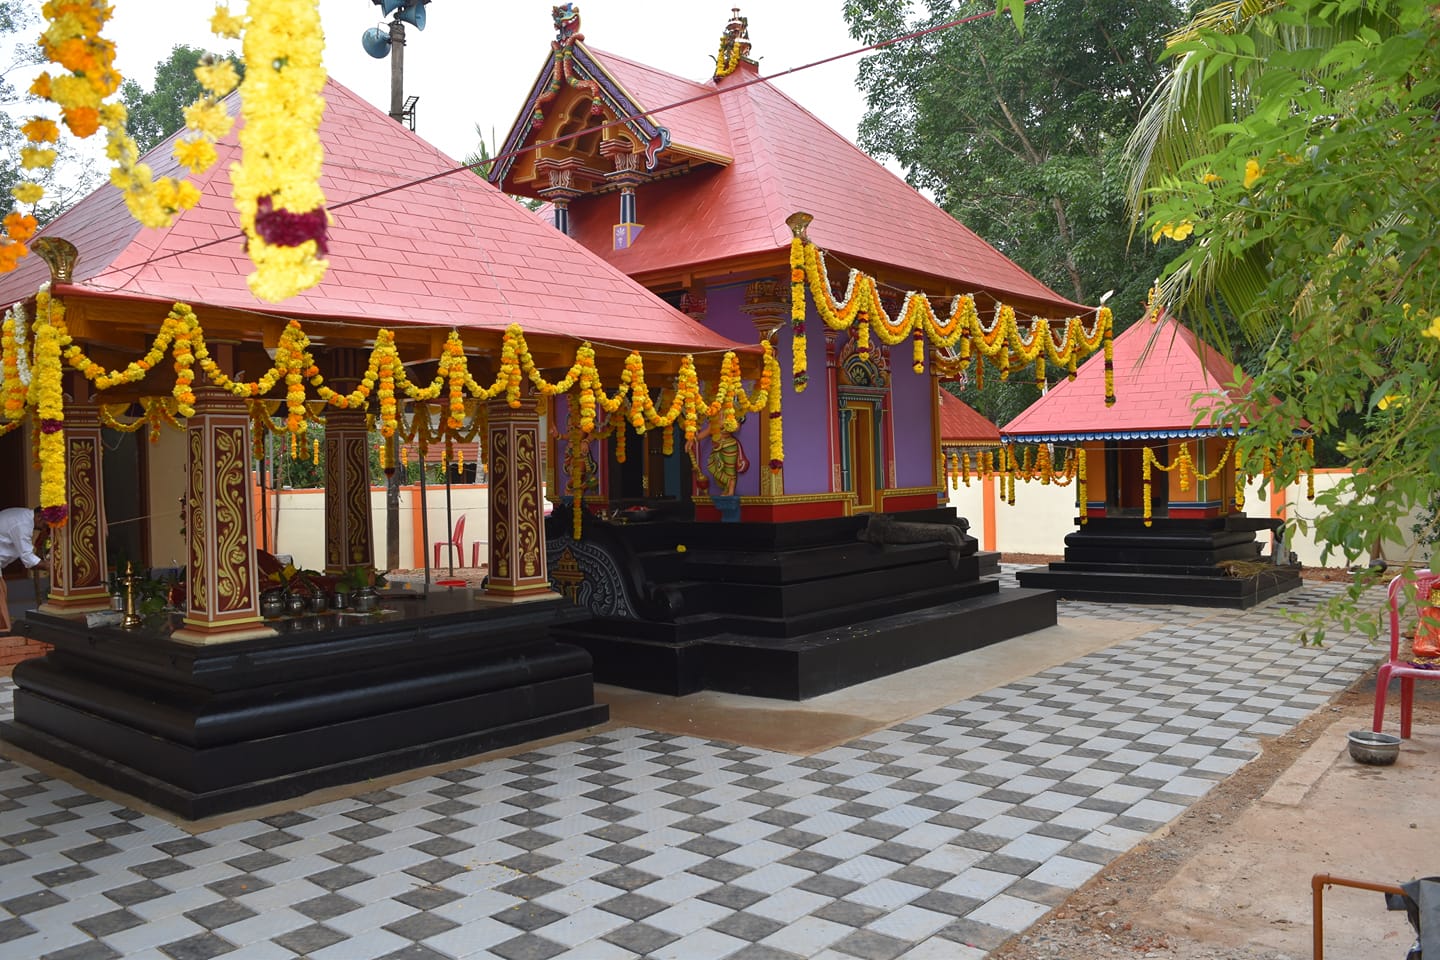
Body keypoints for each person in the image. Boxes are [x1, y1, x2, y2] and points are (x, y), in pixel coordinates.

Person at [0, 506, 48, 634]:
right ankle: (4, 635)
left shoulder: (23, 516)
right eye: (45, 523)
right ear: (39, 517)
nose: (45, 527)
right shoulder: (23, 523)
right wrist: (51, 567)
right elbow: (28, 558)